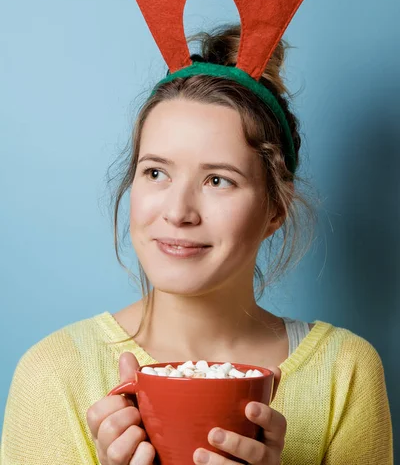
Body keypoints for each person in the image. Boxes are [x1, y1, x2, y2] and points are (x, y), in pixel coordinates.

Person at [0, 26, 394, 465]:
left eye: (218, 180)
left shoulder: (345, 372)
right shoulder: (54, 373)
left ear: (275, 209)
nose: (178, 211)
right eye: (156, 173)